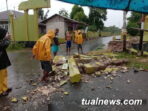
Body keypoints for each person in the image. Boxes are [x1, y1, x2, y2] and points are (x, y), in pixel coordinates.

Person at [0, 28, 12, 96]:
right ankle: (1, 91)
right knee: (0, 77)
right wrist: (6, 39)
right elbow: (2, 46)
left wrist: (7, 38)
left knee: (4, 74)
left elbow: (4, 46)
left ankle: (4, 88)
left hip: (2, 60)